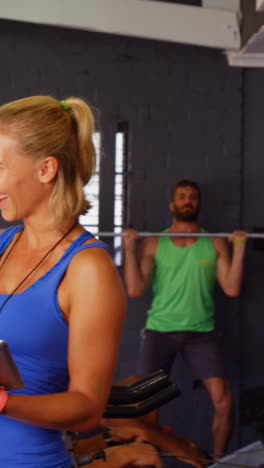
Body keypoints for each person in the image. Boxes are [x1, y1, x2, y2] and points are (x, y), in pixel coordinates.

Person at [0, 95, 126, 467]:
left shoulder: (89, 269)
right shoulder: (2, 245)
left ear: (46, 169)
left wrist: (4, 401)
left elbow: (87, 407)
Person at [122, 179, 247, 460]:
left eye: (192, 197)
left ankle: (217, 460)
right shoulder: (154, 242)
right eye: (182, 197)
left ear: (198, 204)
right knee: (146, 403)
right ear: (172, 205)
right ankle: (148, 459)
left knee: (224, 401)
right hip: (160, 331)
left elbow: (231, 288)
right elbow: (135, 289)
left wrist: (239, 249)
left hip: (201, 333)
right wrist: (129, 248)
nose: (187, 201)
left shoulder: (214, 242)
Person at [73, 376, 208, 468]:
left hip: (70, 443)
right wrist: (123, 455)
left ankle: (152, 448)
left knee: (142, 385)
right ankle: (172, 450)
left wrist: (109, 438)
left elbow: (74, 448)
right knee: (111, 413)